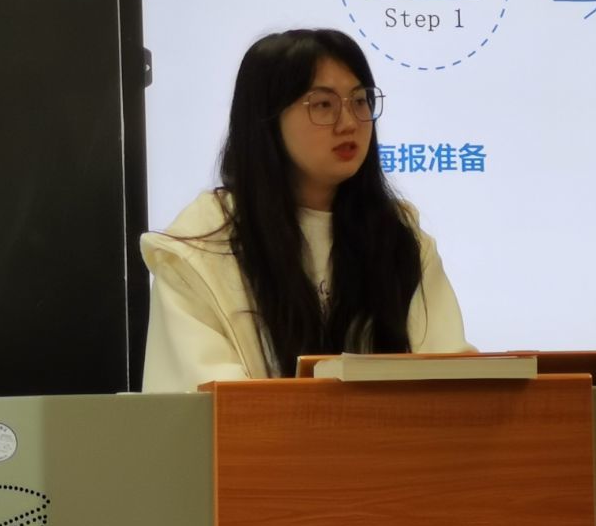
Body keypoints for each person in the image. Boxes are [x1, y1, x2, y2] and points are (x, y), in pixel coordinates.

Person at [141, 28, 470, 392]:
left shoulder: (399, 237)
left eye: (360, 101)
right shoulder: (198, 250)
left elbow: (451, 381)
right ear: (267, 119)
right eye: (323, 105)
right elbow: (204, 403)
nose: (349, 123)